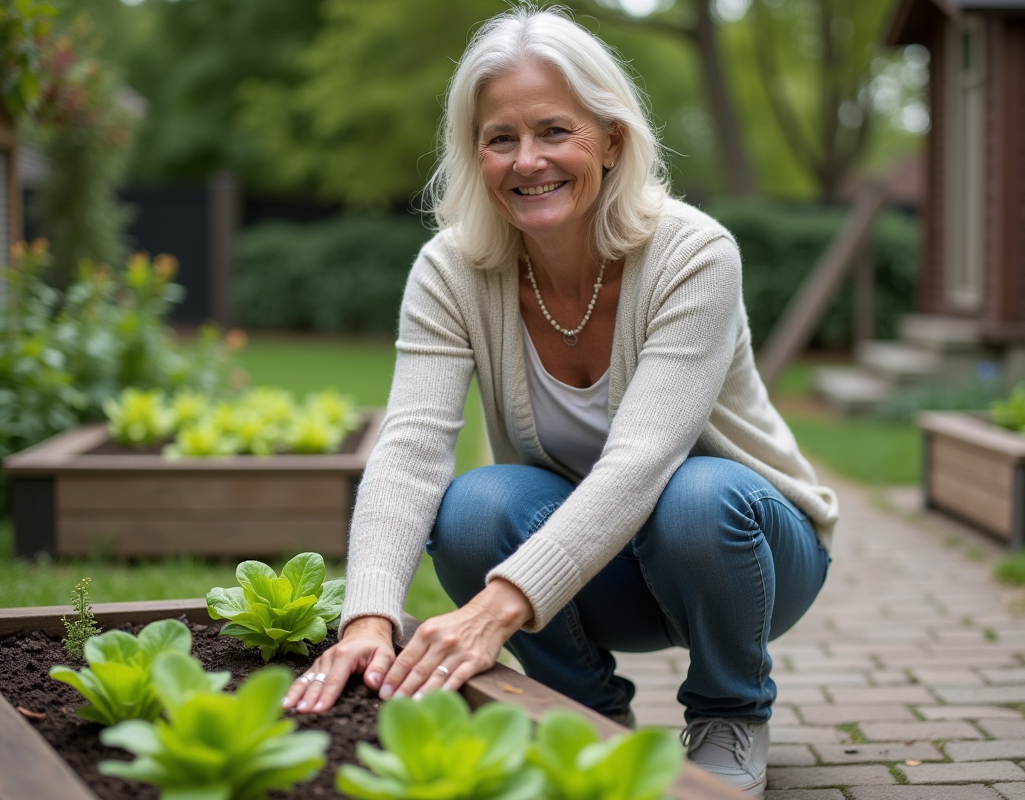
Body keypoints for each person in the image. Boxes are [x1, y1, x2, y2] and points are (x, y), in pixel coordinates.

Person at [281, 6, 837, 796]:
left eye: (554, 131)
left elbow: (644, 460)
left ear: (611, 141)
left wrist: (496, 608)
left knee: (696, 493)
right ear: (474, 153)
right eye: (500, 137)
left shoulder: (694, 254)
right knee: (474, 507)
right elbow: (409, 449)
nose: (527, 160)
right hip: (593, 572)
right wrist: (369, 614)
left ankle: (730, 710)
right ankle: (583, 716)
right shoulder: (453, 269)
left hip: (748, 558)